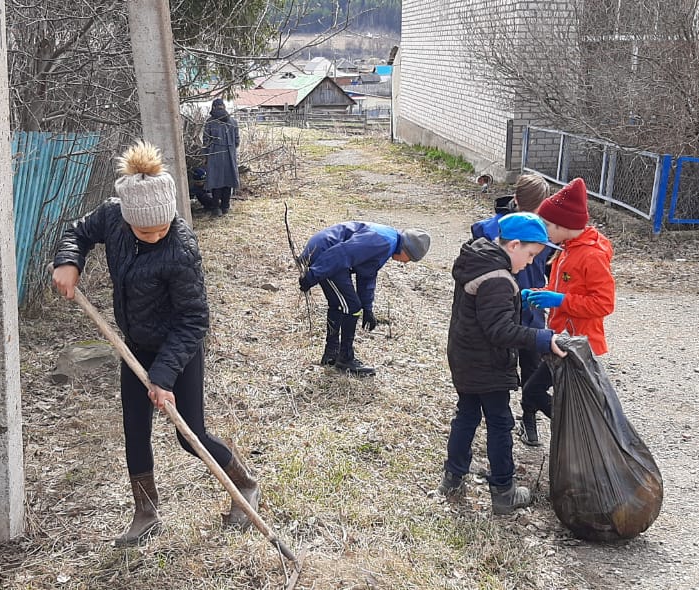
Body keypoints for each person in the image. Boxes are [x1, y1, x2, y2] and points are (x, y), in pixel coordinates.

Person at [51, 140, 261, 547]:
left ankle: (245, 483)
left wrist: (163, 377)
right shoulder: (112, 216)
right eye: (146, 230)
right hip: (136, 344)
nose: (156, 234)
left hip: (178, 348)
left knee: (189, 434)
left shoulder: (181, 249)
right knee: (135, 429)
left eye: (162, 226)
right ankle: (145, 512)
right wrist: (69, 261)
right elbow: (77, 232)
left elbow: (194, 320)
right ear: (127, 219)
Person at [438, 212, 565, 514]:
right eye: (531, 255)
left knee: (466, 415)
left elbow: (485, 315)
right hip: (487, 363)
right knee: (500, 423)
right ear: (514, 245)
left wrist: (518, 300)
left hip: (465, 357)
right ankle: (504, 491)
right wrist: (542, 338)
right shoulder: (497, 279)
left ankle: (453, 478)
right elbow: (500, 331)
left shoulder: (479, 260)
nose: (531, 263)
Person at [519, 177, 616, 446]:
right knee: (544, 394)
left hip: (579, 344)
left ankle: (586, 435)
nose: (544, 229)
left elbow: (604, 304)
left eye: (547, 225)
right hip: (561, 338)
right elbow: (560, 288)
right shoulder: (567, 249)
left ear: (562, 226)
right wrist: (539, 295)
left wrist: (560, 301)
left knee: (534, 392)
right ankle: (584, 435)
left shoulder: (591, 255)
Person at [297, 221, 431, 376]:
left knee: (340, 304)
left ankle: (331, 355)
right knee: (351, 307)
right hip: (325, 255)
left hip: (329, 256)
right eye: (410, 259)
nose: (406, 262)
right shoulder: (382, 242)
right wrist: (313, 274)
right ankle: (345, 359)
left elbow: (367, 274)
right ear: (406, 249)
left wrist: (367, 308)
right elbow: (343, 252)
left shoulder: (389, 241)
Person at [470, 175, 552, 387]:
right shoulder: (494, 230)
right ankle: (525, 404)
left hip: (516, 306)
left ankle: (520, 402)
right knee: (524, 362)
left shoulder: (491, 229)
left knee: (512, 361)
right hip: (516, 306)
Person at [202, 98, 240, 216]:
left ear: (213, 107)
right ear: (224, 107)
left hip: (214, 155)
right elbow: (237, 141)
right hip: (229, 155)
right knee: (228, 181)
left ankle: (215, 208)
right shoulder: (233, 122)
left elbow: (206, 141)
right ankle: (225, 207)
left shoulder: (210, 122)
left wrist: (206, 155)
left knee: (216, 182)